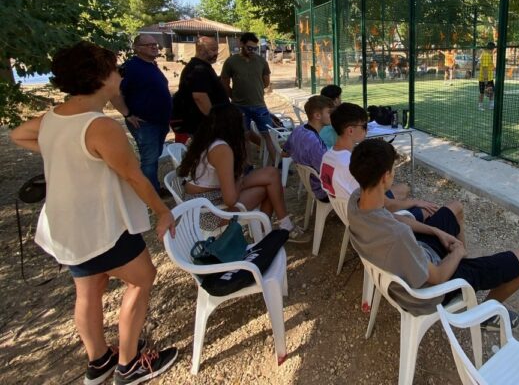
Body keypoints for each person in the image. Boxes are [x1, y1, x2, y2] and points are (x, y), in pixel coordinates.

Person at [10, 41, 178, 385]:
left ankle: (99, 360)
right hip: (101, 226)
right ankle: (129, 365)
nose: (120, 76)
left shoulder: (53, 118)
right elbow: (134, 177)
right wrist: (163, 212)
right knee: (142, 278)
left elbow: (19, 135)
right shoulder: (100, 126)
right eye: (115, 70)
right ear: (100, 77)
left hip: (66, 225)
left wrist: (61, 154)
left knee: (89, 289)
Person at [347, 138, 519, 324]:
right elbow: (437, 277)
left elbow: (393, 218)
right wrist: (457, 253)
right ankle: (485, 314)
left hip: (412, 261)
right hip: (430, 292)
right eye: (393, 170)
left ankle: (464, 264)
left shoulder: (356, 202)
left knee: (455, 208)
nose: (394, 174)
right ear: (385, 177)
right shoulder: (398, 236)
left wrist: (435, 231)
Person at [177, 103, 310, 243]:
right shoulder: (221, 149)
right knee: (267, 189)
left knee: (272, 173)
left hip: (203, 201)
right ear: (233, 125)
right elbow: (230, 200)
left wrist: (239, 177)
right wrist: (240, 179)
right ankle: (273, 231)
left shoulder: (209, 140)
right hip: (208, 212)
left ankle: (279, 227)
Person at [321, 103, 432, 220]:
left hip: (349, 210)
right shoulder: (352, 164)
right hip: (368, 219)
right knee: (427, 210)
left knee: (403, 189)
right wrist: (415, 202)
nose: (367, 129)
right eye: (364, 126)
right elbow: (386, 205)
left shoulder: (327, 156)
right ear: (350, 130)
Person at [112, 34, 172, 194]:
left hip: (160, 121)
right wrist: (127, 114)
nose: (154, 47)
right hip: (144, 123)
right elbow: (115, 93)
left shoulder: (152, 65)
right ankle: (150, 194)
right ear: (137, 48)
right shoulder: (130, 68)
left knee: (155, 155)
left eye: (155, 44)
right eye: (149, 45)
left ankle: (153, 188)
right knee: (149, 160)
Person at [221, 33, 276, 163]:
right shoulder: (231, 62)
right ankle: (248, 165)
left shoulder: (261, 61)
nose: (252, 51)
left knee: (269, 135)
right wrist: (233, 96)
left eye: (254, 48)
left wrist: (255, 89)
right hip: (239, 107)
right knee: (243, 137)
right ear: (241, 44)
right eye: (249, 48)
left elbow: (266, 82)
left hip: (259, 105)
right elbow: (224, 82)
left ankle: (276, 163)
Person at [173, 36, 229, 142]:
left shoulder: (203, 67)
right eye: (213, 49)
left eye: (217, 49)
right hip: (202, 125)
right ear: (200, 49)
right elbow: (199, 97)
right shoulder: (198, 69)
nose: (216, 53)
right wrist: (213, 121)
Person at [282, 95, 335, 204]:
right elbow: (326, 172)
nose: (333, 115)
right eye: (329, 112)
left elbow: (284, 153)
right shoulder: (314, 142)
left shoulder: (298, 130)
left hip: (310, 185)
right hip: (323, 191)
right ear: (317, 115)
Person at [318, 84, 342, 149]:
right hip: (333, 149)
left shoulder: (321, 112)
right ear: (336, 100)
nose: (341, 100)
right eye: (340, 97)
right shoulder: (336, 115)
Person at [478, 41, 496, 111]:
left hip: (490, 78)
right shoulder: (486, 55)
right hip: (484, 78)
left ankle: (491, 105)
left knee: (491, 92)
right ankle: (480, 106)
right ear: (492, 48)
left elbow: (488, 66)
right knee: (482, 93)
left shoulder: (488, 54)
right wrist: (485, 79)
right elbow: (485, 68)